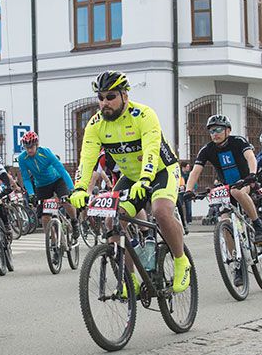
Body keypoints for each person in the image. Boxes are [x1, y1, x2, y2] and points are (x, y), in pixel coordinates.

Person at [69, 70, 191, 293]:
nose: (104, 102)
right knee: (112, 222)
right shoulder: (95, 124)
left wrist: (145, 179)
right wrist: (79, 188)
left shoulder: (144, 115)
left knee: (161, 212)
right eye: (101, 97)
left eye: (111, 96)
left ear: (125, 95)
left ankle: (181, 260)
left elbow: (151, 149)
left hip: (162, 170)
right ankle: (129, 279)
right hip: (132, 176)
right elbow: (87, 159)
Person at [184, 114, 262, 286]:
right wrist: (188, 190)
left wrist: (252, 174)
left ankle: (257, 225)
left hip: (245, 182)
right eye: (212, 131)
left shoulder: (238, 141)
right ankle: (237, 264)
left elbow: (251, 157)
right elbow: (195, 171)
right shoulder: (207, 149)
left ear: (228, 130)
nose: (215, 134)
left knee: (236, 192)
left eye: (219, 129)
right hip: (226, 187)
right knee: (224, 221)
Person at [17, 130, 78, 238]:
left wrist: (72, 188)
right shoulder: (22, 158)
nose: (29, 150)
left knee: (65, 201)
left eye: (31, 147)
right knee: (45, 216)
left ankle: (74, 221)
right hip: (41, 185)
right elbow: (26, 178)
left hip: (57, 180)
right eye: (26, 147)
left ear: (37, 145)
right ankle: (53, 242)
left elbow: (62, 170)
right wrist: (31, 194)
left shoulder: (46, 152)